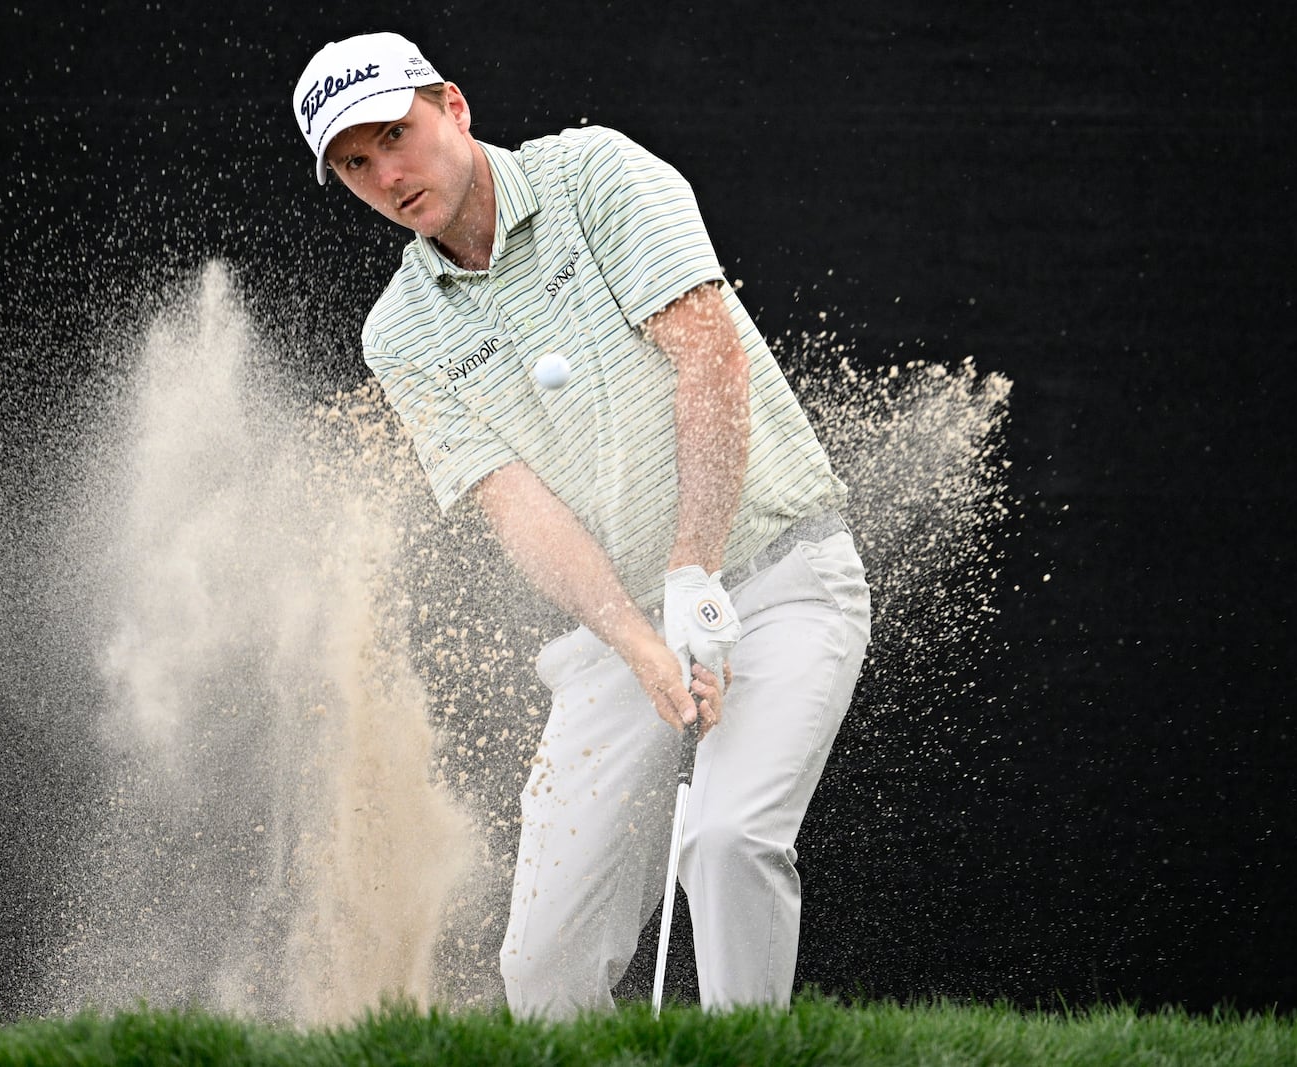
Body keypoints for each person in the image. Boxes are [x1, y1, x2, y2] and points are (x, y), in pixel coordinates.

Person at [291, 32, 871, 1017]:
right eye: (353, 163)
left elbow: (708, 360)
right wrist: (638, 636)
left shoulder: (596, 173)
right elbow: (517, 503)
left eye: (396, 134)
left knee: (726, 842)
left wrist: (692, 570)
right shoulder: (400, 330)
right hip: (617, 637)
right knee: (544, 970)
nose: (385, 173)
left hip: (780, 579)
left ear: (455, 110)